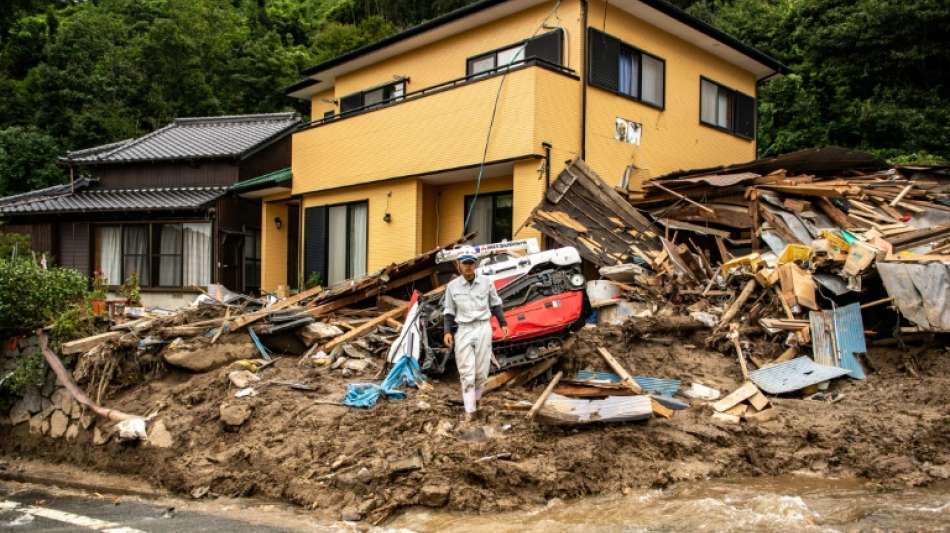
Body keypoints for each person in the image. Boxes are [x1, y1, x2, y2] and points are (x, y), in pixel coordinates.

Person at [442, 253, 509, 421]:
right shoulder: (452, 287)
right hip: (464, 330)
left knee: (481, 374)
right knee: (467, 373)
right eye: (465, 263)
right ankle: (470, 412)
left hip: (482, 329)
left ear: (475, 264)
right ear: (459, 265)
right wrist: (447, 331)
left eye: (471, 263)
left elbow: (495, 304)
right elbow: (449, 311)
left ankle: (476, 401)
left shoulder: (486, 283)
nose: (468, 266)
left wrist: (503, 323)